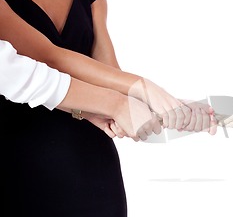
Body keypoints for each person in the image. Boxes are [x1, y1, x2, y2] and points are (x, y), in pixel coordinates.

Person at [0, 0, 215, 217]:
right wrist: (136, 91)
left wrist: (165, 105)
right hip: (17, 159)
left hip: (89, 161)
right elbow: (46, 57)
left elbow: (108, 70)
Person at [0, 39, 160, 141]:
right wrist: (117, 104)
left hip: (87, 136)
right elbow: (12, 70)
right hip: (22, 141)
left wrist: (86, 111)